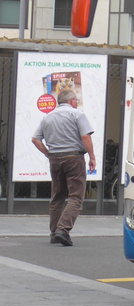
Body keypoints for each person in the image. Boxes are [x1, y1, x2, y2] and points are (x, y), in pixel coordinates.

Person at [30, 89, 96, 246]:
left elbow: (35, 139)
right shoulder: (77, 114)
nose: (77, 102)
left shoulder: (47, 117)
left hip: (55, 159)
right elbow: (85, 136)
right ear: (72, 101)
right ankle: (63, 229)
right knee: (76, 196)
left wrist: (48, 153)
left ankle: (54, 232)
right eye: (76, 100)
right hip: (74, 157)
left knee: (57, 196)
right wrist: (92, 156)